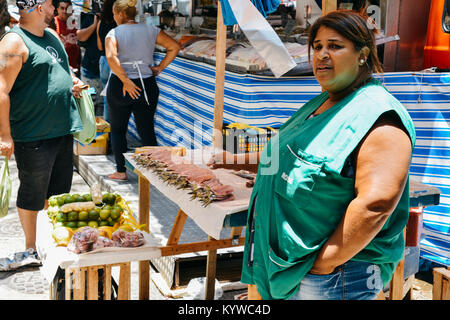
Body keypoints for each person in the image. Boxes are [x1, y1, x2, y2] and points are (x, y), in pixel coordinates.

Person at [208, 10, 416, 300]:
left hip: (333, 277)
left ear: (363, 54)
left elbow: (375, 205)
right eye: (317, 46)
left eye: (335, 46)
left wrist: (324, 263)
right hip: (295, 269)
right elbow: (290, 157)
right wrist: (228, 160)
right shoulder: (323, 103)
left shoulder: (379, 116)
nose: (322, 55)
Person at [0, 0, 85, 253]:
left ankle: (52, 242)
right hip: (32, 132)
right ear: (38, 8)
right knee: (32, 193)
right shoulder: (13, 42)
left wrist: (73, 83)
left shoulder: (51, 35)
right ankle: (30, 248)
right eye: (50, 4)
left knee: (58, 193)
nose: (54, 8)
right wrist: (5, 135)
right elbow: (1, 90)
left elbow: (61, 71)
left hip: (62, 128)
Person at [104, 0, 180, 181]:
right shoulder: (150, 30)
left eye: (115, 14)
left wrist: (126, 80)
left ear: (121, 14)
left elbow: (110, 56)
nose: (114, 18)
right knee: (146, 129)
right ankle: (154, 173)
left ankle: (121, 171)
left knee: (118, 129)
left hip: (120, 86)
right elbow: (174, 47)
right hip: (147, 83)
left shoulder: (113, 33)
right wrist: (160, 67)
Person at [76, 6, 102, 112]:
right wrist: (95, 25)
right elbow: (80, 36)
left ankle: (102, 127)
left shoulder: (113, 18)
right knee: (88, 100)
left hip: (105, 71)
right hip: (89, 71)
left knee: (101, 104)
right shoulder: (90, 17)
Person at [96, 0, 116, 122]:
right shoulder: (118, 23)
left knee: (106, 98)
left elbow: (99, 47)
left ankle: (107, 130)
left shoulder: (100, 23)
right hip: (115, 61)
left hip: (103, 61)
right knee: (117, 99)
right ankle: (115, 130)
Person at [54, 0, 80, 72]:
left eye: (67, 8)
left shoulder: (76, 23)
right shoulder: (53, 23)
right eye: (62, 8)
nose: (65, 11)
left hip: (74, 65)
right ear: (57, 9)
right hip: (59, 67)